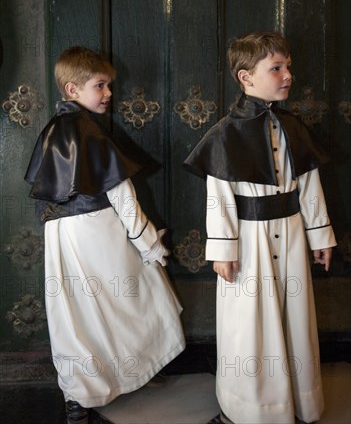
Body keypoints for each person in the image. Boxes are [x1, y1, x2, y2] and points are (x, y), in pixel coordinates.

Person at [25, 47, 185, 424]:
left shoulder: (54, 129)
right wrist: (149, 244)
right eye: (100, 86)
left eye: (108, 85)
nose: (108, 93)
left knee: (75, 315)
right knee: (137, 294)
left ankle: (81, 394)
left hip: (63, 237)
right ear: (72, 89)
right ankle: (136, 369)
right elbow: (122, 196)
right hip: (98, 232)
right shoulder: (87, 132)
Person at [184, 32, 336, 424]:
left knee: (294, 318)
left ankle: (298, 402)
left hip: (291, 233)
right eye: (277, 68)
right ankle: (249, 408)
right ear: (246, 77)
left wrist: (320, 236)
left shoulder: (294, 126)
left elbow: (309, 185)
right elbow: (218, 195)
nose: (288, 75)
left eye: (288, 67)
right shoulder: (225, 133)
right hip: (247, 241)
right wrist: (222, 250)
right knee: (248, 324)